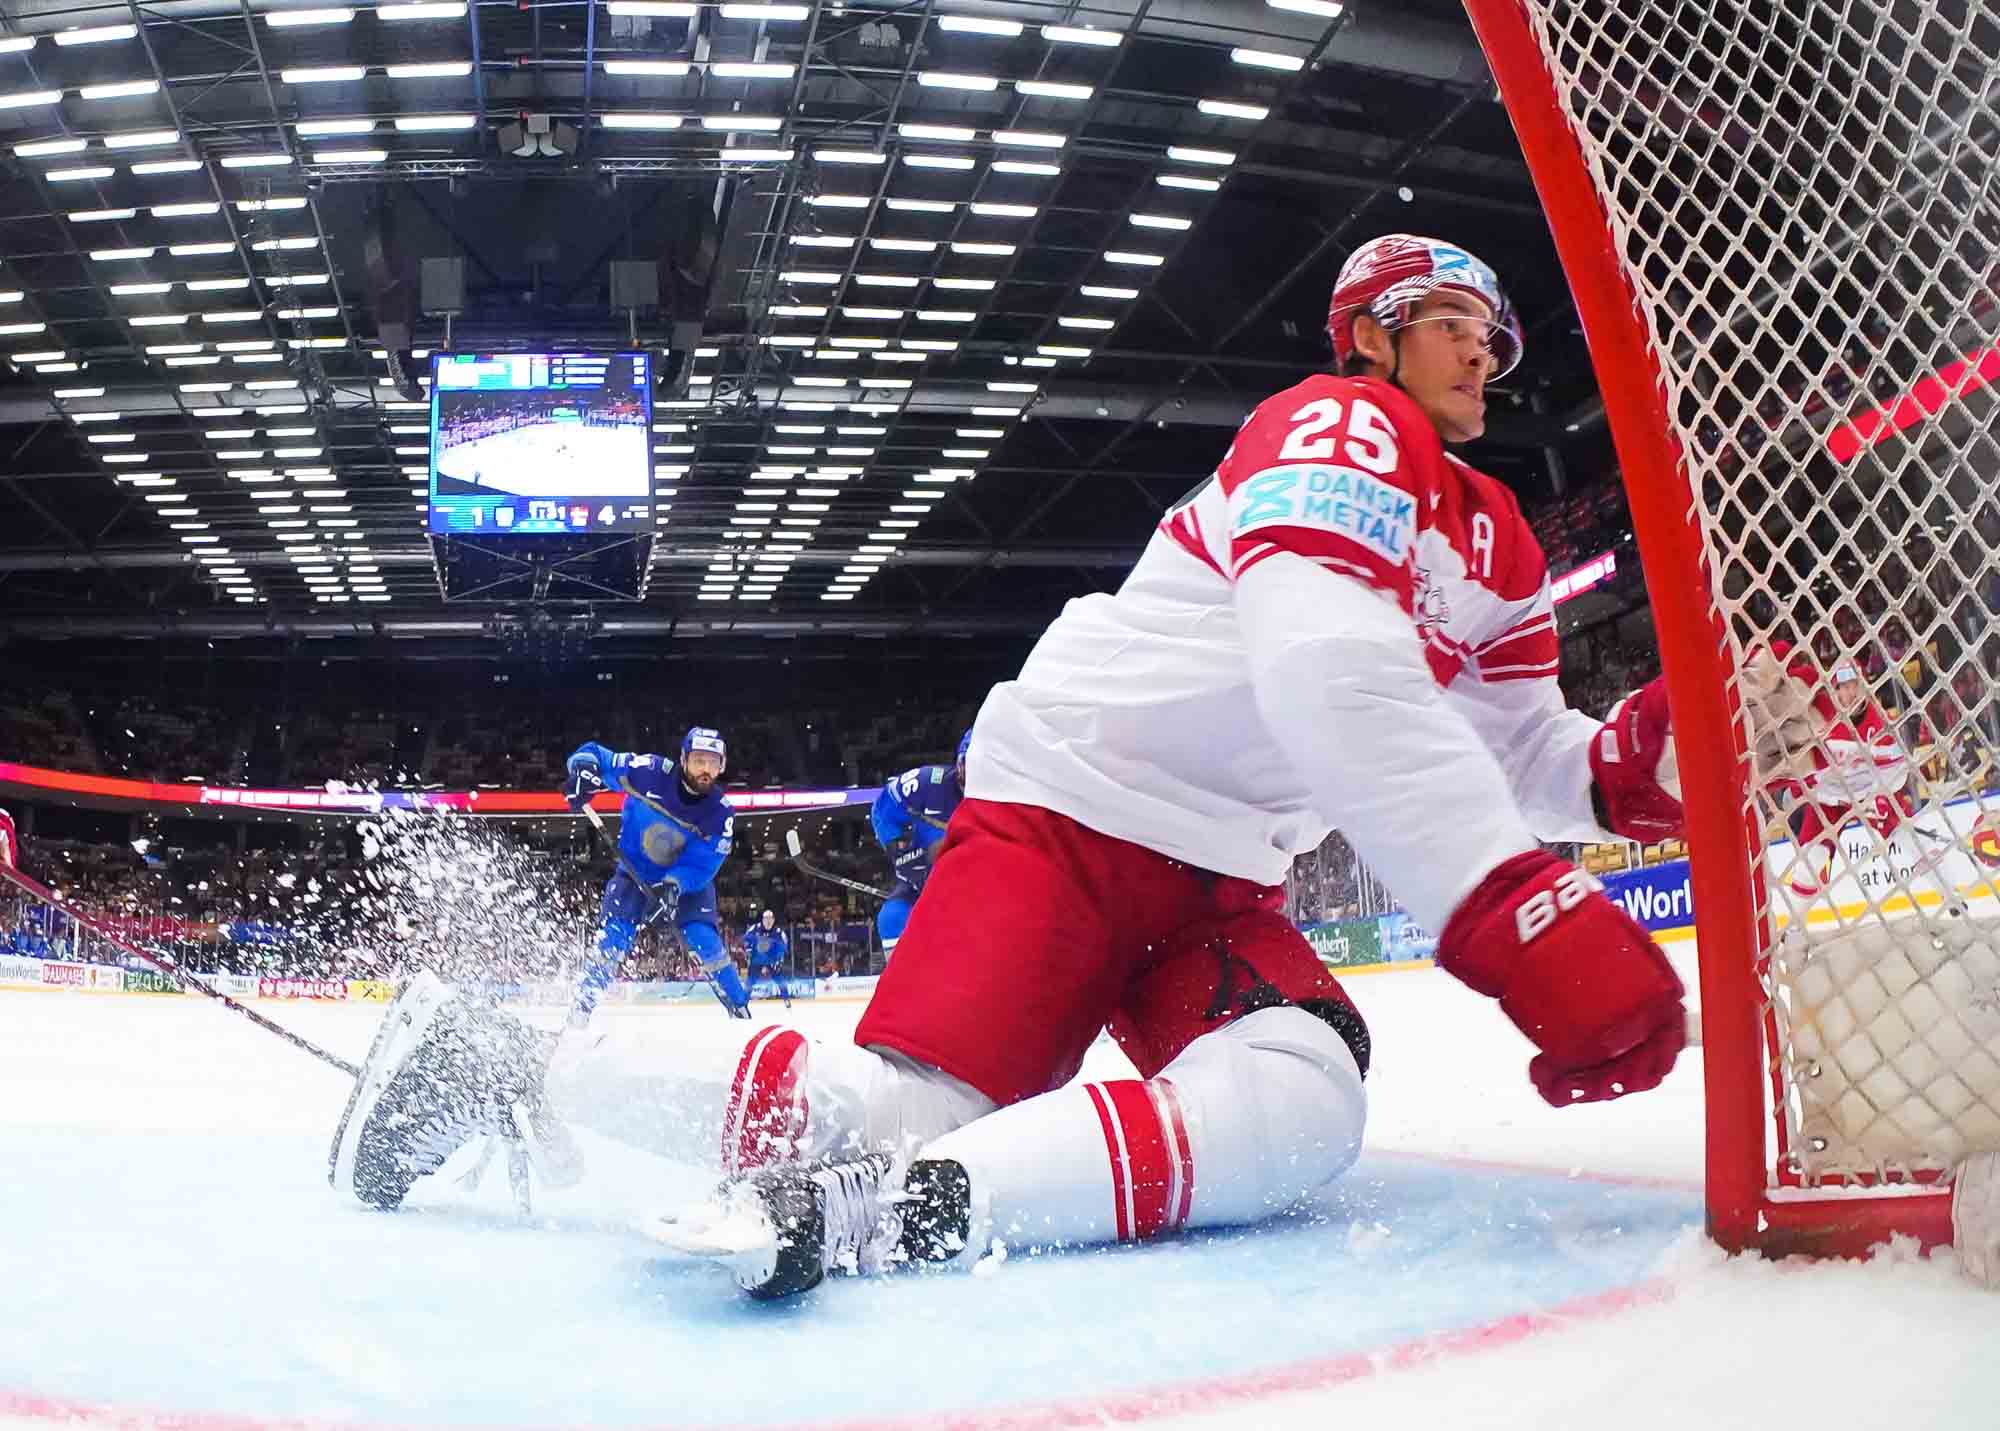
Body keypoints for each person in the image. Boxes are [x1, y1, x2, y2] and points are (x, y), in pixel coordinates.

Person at [332, 234, 1689, 1301]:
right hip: (1071, 823)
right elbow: (1325, 665)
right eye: (1450, 320)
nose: (1481, 349)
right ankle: (498, 1061)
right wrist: (1511, 909)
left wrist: (1641, 769)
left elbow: (1522, 750)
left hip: (1221, 884)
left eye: (1491, 334)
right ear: (1371, 335)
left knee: (1306, 1100)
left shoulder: (1501, 538)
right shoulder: (1336, 425)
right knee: (896, 1109)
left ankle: (901, 1210)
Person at [563, 726, 745, 1022]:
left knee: (704, 939)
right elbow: (596, 755)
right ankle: (580, 1012)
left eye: (713, 763)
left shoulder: (720, 813)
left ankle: (740, 1010)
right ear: (683, 759)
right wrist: (583, 769)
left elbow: (703, 864)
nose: (706, 769)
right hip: (634, 875)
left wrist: (674, 885)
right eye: (699, 760)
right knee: (614, 937)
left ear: (722, 766)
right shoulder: (649, 771)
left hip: (685, 884)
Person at [869, 730, 970, 956]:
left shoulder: (1006, 800)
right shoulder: (930, 781)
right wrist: (897, 848)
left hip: (973, 893)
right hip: (924, 882)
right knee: (892, 918)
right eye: (969, 763)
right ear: (959, 761)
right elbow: (883, 806)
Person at [743, 908, 791, 1008]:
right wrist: (748, 951)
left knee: (780, 980)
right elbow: (746, 938)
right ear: (762, 919)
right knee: (750, 981)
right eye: (766, 919)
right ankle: (744, 1002)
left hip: (772, 960)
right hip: (757, 959)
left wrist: (779, 959)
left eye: (770, 919)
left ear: (773, 920)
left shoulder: (779, 932)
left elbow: (784, 947)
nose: (768, 921)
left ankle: (786, 1000)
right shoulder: (755, 928)